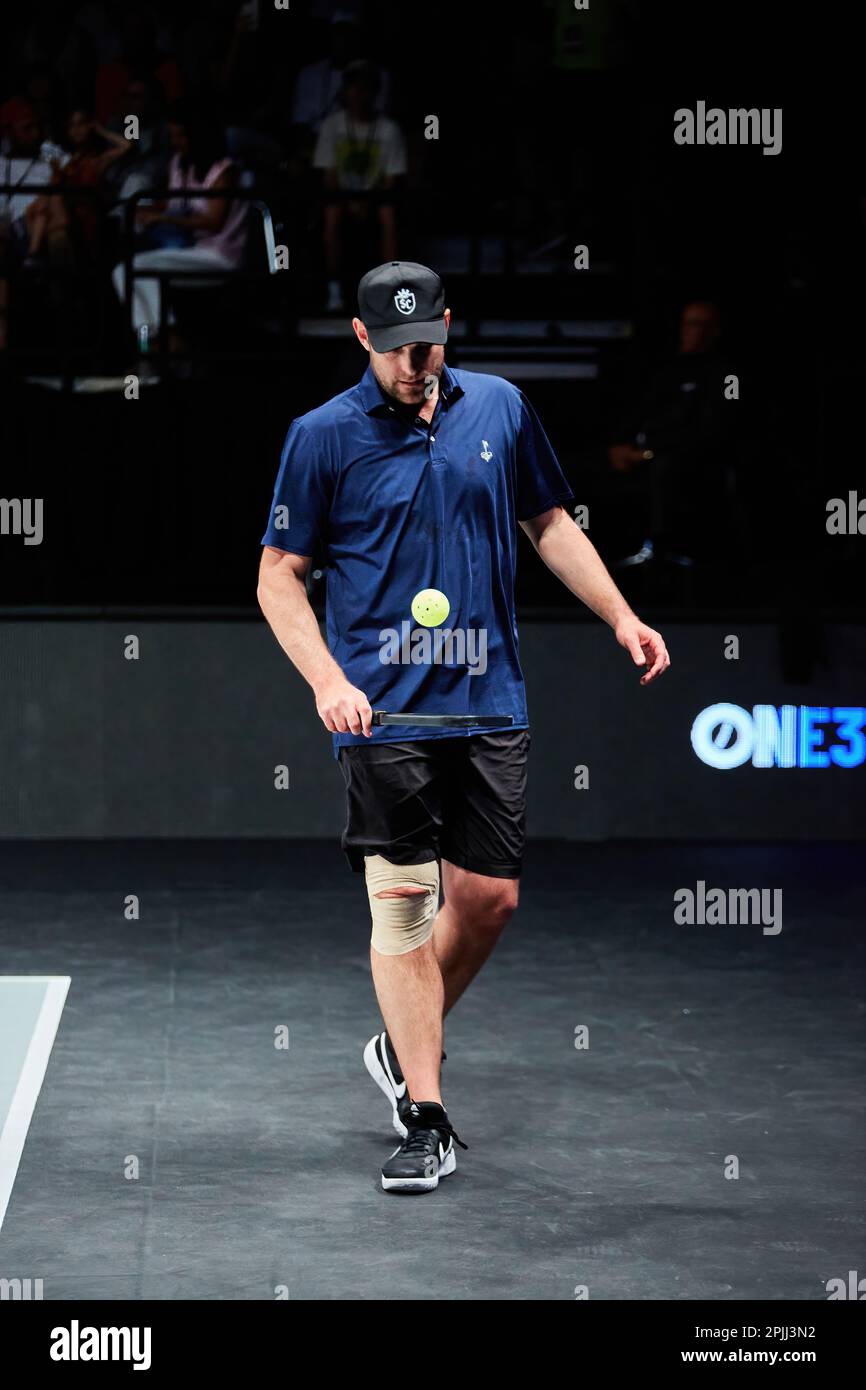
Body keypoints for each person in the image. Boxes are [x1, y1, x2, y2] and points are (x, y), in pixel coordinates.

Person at [257, 261, 671, 1194]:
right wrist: (327, 679)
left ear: (450, 324)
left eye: (430, 343)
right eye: (396, 349)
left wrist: (622, 616)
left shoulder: (501, 408)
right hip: (383, 709)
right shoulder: (320, 437)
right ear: (362, 339)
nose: (416, 363)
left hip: (489, 703)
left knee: (488, 902)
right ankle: (426, 1114)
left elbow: (551, 524)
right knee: (402, 902)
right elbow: (278, 573)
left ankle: (399, 1040)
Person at [111, 105, 246, 353]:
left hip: (220, 255)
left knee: (139, 268)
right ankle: (157, 338)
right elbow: (173, 203)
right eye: (172, 136)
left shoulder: (223, 170)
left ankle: (165, 341)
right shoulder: (179, 163)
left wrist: (164, 219)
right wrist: (147, 210)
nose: (176, 142)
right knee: (124, 270)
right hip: (190, 250)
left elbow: (213, 221)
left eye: (181, 136)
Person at [313, 61, 405, 312]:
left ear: (374, 93)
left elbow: (391, 180)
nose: (359, 95)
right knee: (331, 214)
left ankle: (390, 290)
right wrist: (350, 201)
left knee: (389, 215)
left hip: (376, 198)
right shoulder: (332, 126)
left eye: (365, 88)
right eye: (354, 88)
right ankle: (333, 290)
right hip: (341, 196)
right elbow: (329, 177)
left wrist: (368, 202)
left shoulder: (389, 129)